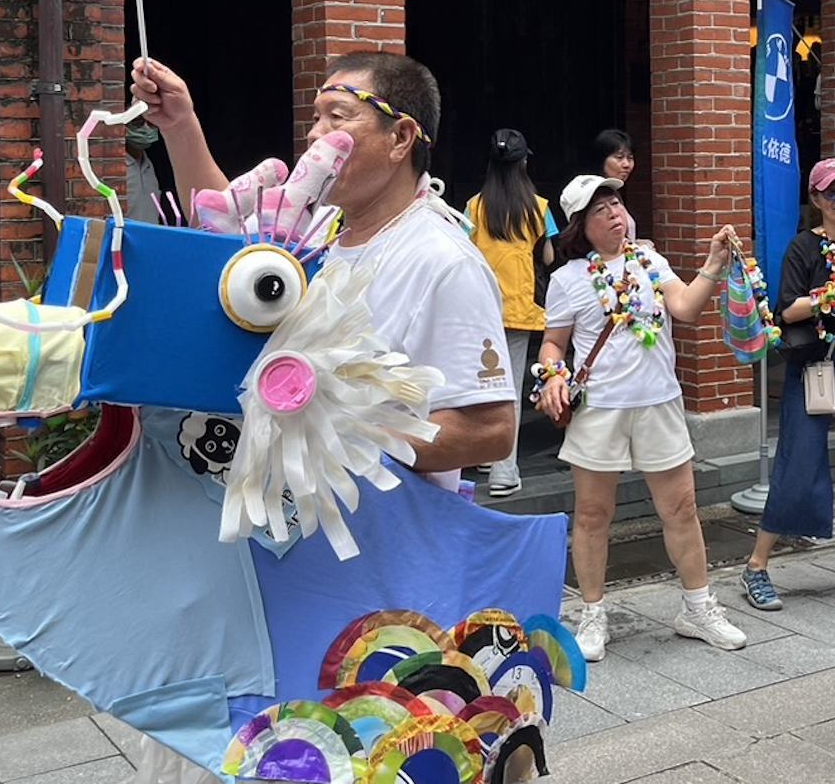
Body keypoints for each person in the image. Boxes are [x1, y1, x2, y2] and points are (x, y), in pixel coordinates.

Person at [132, 53, 517, 487]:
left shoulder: (443, 260)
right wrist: (181, 124)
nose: (316, 134)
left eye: (337, 117)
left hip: (374, 532)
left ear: (401, 138)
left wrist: (332, 436)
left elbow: (491, 432)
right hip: (275, 529)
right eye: (316, 119)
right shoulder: (314, 228)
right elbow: (222, 224)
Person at [535, 174, 747, 659]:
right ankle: (593, 614)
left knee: (682, 509)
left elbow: (687, 308)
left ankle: (697, 608)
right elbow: (553, 343)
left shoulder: (651, 262)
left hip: (659, 403)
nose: (614, 214)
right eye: (599, 210)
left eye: (616, 204)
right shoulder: (568, 280)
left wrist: (713, 264)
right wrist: (552, 375)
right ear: (580, 228)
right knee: (592, 515)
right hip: (600, 410)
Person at [739, 157, 835, 610]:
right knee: (798, 460)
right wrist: (834, 295)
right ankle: (756, 566)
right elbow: (786, 310)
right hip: (816, 365)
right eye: (832, 193)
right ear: (817, 199)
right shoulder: (803, 247)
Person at [465, 128, 556, 497]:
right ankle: (504, 472)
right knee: (510, 390)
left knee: (481, 386)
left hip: (480, 310)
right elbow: (548, 257)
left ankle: (486, 455)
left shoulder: (473, 206)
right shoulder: (539, 207)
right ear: (523, 163)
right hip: (518, 310)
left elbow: (464, 252)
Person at [124, 119, 163, 226]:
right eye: (137, 123)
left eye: (151, 123)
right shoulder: (115, 170)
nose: (146, 128)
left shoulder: (150, 165)